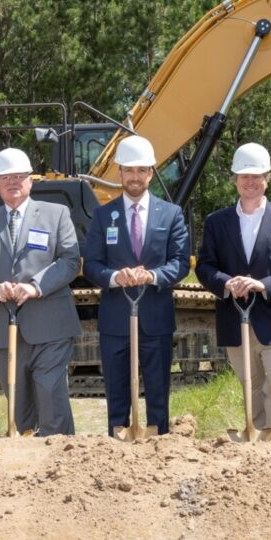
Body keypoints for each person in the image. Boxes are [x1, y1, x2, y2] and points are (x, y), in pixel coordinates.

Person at [0, 148, 81, 436]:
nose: (13, 182)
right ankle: (25, 465)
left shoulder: (56, 215)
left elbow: (69, 261)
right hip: (5, 328)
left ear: (31, 181)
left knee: (51, 395)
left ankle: (59, 458)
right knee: (19, 406)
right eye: (6, 178)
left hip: (50, 324)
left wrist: (35, 286)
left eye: (19, 176)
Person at [195, 142, 271, 441]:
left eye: (257, 176)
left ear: (267, 178)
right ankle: (258, 442)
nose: (250, 182)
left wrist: (264, 285)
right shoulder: (217, 222)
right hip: (235, 317)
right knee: (252, 383)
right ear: (234, 179)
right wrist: (225, 283)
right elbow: (204, 266)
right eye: (244, 176)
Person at [82, 136, 191, 436]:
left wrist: (152, 276)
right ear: (119, 173)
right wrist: (116, 278)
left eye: (141, 171)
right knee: (117, 394)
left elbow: (180, 262)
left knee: (158, 394)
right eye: (128, 170)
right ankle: (117, 450)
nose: (134, 177)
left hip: (156, 319)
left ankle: (160, 448)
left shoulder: (171, 215)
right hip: (115, 320)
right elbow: (91, 264)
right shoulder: (103, 216)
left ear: (151, 173)